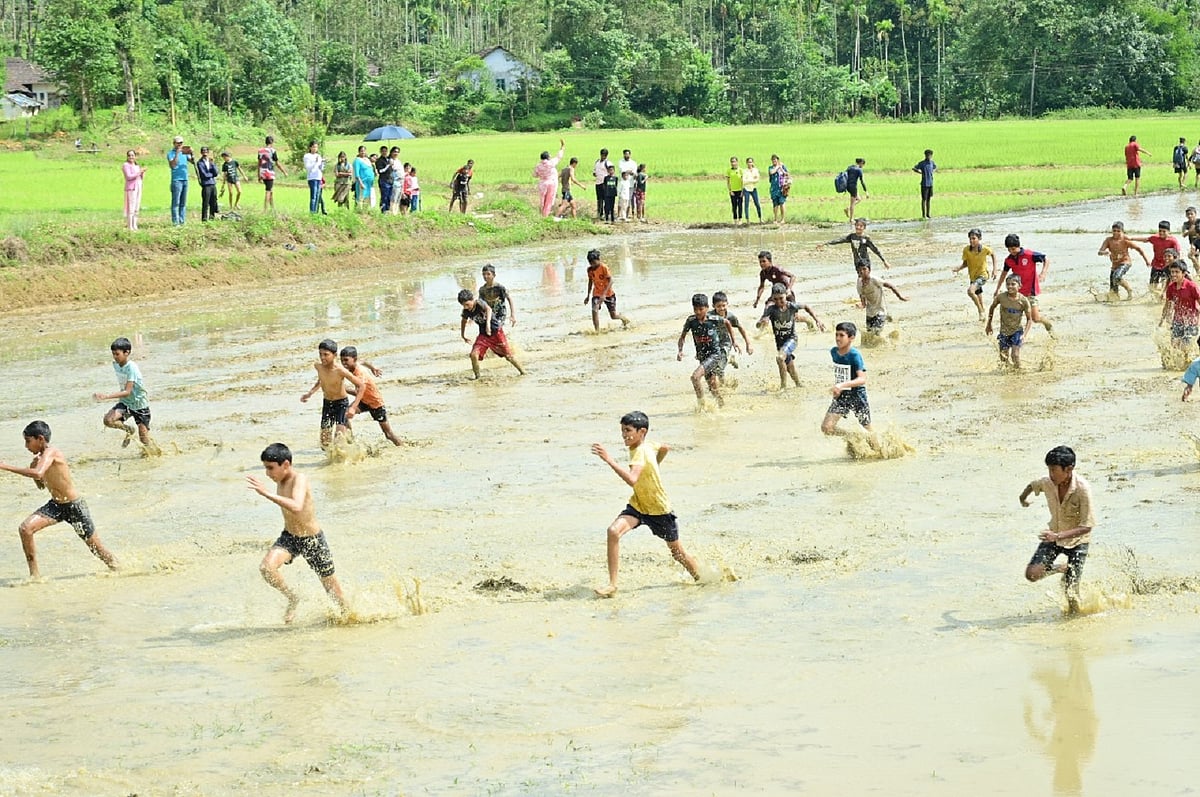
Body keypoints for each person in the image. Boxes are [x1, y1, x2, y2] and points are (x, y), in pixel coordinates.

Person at [590, 410, 700, 598]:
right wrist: (653, 467)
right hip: (639, 505)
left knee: (678, 554)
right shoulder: (648, 445)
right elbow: (665, 448)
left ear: (642, 432)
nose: (624, 435)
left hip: (659, 510)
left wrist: (609, 460)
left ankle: (703, 580)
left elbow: (632, 480)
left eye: (628, 430)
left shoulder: (639, 452)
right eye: (622, 430)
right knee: (613, 532)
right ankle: (612, 584)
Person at [0, 420, 119, 579]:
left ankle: (119, 569)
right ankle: (35, 576)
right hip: (56, 506)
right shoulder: (42, 457)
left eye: (28, 441)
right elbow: (41, 484)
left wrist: (5, 466)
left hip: (74, 507)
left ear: (40, 439)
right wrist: (34, 467)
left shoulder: (52, 452)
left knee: (96, 549)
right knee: (25, 529)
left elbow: (38, 473)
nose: (26, 446)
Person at [247, 442, 348, 624]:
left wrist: (266, 493)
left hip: (312, 540)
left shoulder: (299, 479)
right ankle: (293, 598)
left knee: (333, 591)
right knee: (267, 568)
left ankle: (350, 619)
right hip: (290, 537)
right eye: (265, 468)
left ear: (286, 464)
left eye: (270, 468)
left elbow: (296, 506)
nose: (267, 474)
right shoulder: (279, 480)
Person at [1019, 445, 1095, 613]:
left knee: (1071, 594)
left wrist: (1058, 536)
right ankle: (1061, 568)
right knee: (1032, 574)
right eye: (1049, 469)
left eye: (1054, 470)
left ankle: (1075, 625)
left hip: (1078, 542)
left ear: (1069, 469)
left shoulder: (1082, 489)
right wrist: (1022, 498)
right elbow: (1032, 486)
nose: (1050, 474)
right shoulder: (1048, 482)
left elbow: (1087, 526)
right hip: (1054, 536)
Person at [93, 336, 160, 453]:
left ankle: (151, 455)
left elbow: (127, 391)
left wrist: (106, 396)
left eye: (117, 354)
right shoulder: (116, 364)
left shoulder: (132, 368)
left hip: (139, 405)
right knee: (108, 420)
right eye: (113, 354)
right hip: (126, 403)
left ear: (127, 353)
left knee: (144, 440)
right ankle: (129, 430)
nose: (115, 357)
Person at [756, 282, 826, 389]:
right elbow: (759, 324)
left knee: (780, 358)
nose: (778, 302)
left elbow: (806, 306)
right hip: (780, 343)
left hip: (791, 339)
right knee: (789, 367)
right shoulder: (771, 310)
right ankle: (799, 385)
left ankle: (783, 387)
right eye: (775, 299)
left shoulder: (791, 306)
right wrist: (761, 322)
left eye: (781, 298)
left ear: (786, 296)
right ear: (772, 298)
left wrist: (817, 320)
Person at [300, 339, 365, 449]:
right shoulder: (318, 367)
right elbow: (321, 380)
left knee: (339, 441)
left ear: (334, 355)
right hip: (328, 404)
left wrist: (353, 407)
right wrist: (310, 393)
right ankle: (348, 434)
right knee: (324, 443)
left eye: (326, 354)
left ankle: (349, 446)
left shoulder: (340, 370)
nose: (322, 357)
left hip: (341, 404)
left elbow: (361, 386)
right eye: (320, 354)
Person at [677, 293, 736, 408]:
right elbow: (682, 337)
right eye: (695, 309)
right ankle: (722, 406)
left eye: (701, 309)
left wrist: (734, 341)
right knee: (713, 387)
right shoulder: (691, 321)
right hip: (702, 356)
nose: (698, 312)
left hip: (714, 355)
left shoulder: (713, 319)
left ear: (707, 308)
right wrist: (680, 350)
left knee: (695, 377)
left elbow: (727, 322)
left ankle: (701, 406)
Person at [339, 347, 402, 446]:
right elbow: (363, 361)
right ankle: (351, 442)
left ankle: (403, 446)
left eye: (346, 360)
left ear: (354, 359)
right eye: (342, 360)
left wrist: (342, 388)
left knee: (388, 434)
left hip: (375, 403)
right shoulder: (355, 364)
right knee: (344, 415)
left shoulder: (360, 375)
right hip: (364, 401)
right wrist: (373, 368)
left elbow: (358, 393)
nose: (343, 363)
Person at [458, 288, 525, 379]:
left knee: (508, 356)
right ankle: (477, 377)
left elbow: (488, 309)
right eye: (463, 305)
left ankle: (523, 372)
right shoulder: (466, 311)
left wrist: (488, 324)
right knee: (473, 355)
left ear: (472, 299)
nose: (466, 307)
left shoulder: (479, 303)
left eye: (467, 304)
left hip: (496, 332)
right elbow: (463, 321)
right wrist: (463, 335)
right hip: (483, 335)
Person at [820, 321, 871, 436]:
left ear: (851, 338)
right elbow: (841, 373)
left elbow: (862, 379)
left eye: (841, 335)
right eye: (836, 335)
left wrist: (841, 385)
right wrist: (838, 388)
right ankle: (855, 437)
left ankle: (878, 447)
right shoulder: (834, 352)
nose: (838, 338)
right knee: (826, 427)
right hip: (842, 396)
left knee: (868, 429)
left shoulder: (854, 355)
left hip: (857, 396)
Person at [996, 233, 1053, 333]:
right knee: (1013, 316)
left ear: (1018, 246)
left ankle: (1048, 324)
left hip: (1030, 291)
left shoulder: (1029, 255)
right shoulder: (1008, 260)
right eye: (1009, 249)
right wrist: (997, 288)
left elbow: (1046, 259)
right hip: (1017, 293)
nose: (1011, 251)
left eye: (1013, 249)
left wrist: (1043, 273)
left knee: (1035, 318)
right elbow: (1004, 273)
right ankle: (1017, 337)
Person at [985, 274, 1034, 368]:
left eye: (1013, 284)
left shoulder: (1023, 301)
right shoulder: (1001, 297)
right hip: (1004, 331)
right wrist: (989, 324)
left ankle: (1019, 371)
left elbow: (1029, 319)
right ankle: (1009, 374)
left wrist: (1024, 335)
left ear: (1019, 286)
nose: (1010, 286)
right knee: (1003, 358)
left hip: (1017, 331)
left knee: (1015, 355)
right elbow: (992, 308)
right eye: (1008, 284)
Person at [1096, 221, 1148, 301]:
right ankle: (1116, 304)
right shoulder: (1108, 240)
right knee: (1113, 291)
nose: (1116, 233)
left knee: (1117, 277)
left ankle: (1129, 289)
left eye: (1118, 231)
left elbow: (1139, 249)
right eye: (1114, 231)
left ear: (1122, 231)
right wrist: (1104, 252)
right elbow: (1099, 252)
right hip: (1114, 265)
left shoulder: (1125, 240)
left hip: (1125, 262)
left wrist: (1146, 260)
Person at [952, 228, 996, 320]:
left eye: (974, 238)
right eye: (970, 239)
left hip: (983, 275)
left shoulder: (984, 249)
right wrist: (958, 268)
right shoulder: (966, 250)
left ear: (979, 239)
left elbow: (993, 254)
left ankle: (980, 310)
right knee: (978, 296)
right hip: (973, 276)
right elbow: (965, 263)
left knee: (970, 291)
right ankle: (984, 316)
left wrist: (994, 270)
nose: (971, 241)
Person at [584, 248, 630, 331]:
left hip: (608, 294)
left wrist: (604, 295)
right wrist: (588, 295)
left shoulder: (603, 267)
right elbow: (590, 282)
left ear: (598, 260)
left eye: (594, 263)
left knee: (613, 316)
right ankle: (597, 331)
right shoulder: (590, 270)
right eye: (590, 263)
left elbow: (611, 281)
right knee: (594, 309)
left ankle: (624, 319)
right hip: (597, 293)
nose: (593, 265)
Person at [1132, 221, 1184, 294]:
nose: (1161, 233)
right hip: (1156, 265)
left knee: (1165, 284)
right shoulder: (1155, 238)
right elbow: (1145, 240)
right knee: (1152, 286)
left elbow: (1178, 254)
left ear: (1169, 231)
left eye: (1164, 231)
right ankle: (1157, 297)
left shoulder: (1173, 241)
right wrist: (1131, 238)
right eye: (1160, 231)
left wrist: (1177, 266)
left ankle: (1164, 296)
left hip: (1167, 266)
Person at [1159, 260, 1200, 352]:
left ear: (1184, 273)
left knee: (1185, 348)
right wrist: (1161, 321)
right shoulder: (1171, 287)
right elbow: (1167, 305)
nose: (1173, 274)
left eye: (1177, 272)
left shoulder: (1192, 286)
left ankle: (1188, 360)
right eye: (1172, 272)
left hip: (1191, 321)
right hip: (1177, 320)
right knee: (1174, 345)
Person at [820, 217, 891, 271]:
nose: (858, 227)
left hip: (865, 261)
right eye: (857, 225)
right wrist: (826, 243)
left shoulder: (866, 238)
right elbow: (839, 240)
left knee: (865, 276)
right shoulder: (852, 236)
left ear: (864, 228)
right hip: (857, 262)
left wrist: (884, 261)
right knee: (861, 279)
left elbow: (875, 249)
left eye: (861, 226)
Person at [856, 262, 908, 334]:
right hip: (869, 312)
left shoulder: (874, 280)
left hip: (880, 311)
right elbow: (862, 298)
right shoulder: (859, 283)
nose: (862, 271)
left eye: (864, 269)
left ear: (869, 270)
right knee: (869, 334)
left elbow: (891, 286)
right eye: (860, 270)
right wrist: (862, 305)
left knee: (876, 332)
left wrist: (900, 297)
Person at [711, 290, 753, 372]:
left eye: (724, 305)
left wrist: (748, 344)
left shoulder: (730, 316)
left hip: (726, 342)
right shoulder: (710, 316)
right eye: (718, 306)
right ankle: (730, 359)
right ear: (713, 306)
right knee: (714, 364)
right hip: (713, 343)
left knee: (720, 366)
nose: (722, 308)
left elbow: (740, 328)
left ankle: (722, 380)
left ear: (727, 304)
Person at [478, 263, 517, 330]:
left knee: (497, 328)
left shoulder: (499, 288)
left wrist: (512, 315)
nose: (485, 276)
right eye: (483, 274)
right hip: (489, 313)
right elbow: (480, 303)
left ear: (494, 275)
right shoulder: (482, 290)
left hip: (500, 313)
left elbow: (509, 299)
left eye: (488, 274)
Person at [532, 140, 564, 218]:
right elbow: (558, 157)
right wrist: (562, 147)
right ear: (548, 157)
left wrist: (542, 175)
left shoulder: (538, 166)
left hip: (542, 184)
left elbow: (534, 175)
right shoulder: (551, 163)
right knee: (549, 200)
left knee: (542, 200)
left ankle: (542, 214)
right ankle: (545, 215)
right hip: (551, 183)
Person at [167, 134, 192, 225]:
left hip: (185, 179)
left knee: (183, 202)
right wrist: (177, 153)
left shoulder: (184, 153)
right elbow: (173, 165)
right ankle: (175, 222)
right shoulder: (171, 153)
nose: (179, 145)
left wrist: (191, 153)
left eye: (181, 143)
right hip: (176, 180)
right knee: (176, 202)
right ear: (174, 143)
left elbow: (192, 161)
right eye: (178, 143)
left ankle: (182, 221)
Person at [258, 135, 287, 212]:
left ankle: (272, 208)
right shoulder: (272, 151)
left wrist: (259, 175)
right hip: (269, 173)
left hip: (262, 172)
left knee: (270, 190)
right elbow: (277, 163)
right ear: (272, 142)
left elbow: (259, 163)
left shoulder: (260, 151)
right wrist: (284, 172)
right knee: (268, 191)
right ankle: (265, 209)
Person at [122, 149, 146, 231]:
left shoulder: (137, 166)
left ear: (135, 156)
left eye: (132, 155)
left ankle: (135, 225)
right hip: (131, 187)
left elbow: (140, 177)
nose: (131, 157)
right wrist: (139, 172)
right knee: (131, 206)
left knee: (137, 206)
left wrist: (142, 173)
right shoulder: (126, 165)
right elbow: (129, 176)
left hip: (138, 186)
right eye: (129, 155)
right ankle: (130, 226)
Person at [195, 146, 220, 222]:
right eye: (203, 151)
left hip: (213, 183)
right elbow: (204, 174)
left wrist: (212, 164)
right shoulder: (200, 163)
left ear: (208, 152)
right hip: (206, 184)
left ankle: (212, 217)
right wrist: (211, 174)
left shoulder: (210, 162)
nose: (205, 153)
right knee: (205, 202)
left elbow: (216, 173)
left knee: (213, 201)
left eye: (206, 151)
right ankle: (204, 219)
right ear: (201, 153)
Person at [912, 149, 936, 219]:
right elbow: (914, 168)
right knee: (924, 199)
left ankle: (928, 214)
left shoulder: (932, 163)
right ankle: (923, 215)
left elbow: (935, 167)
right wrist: (920, 172)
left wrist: (932, 172)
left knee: (929, 199)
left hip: (930, 183)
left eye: (930, 155)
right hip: (924, 184)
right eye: (927, 155)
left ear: (931, 156)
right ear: (925, 155)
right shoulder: (922, 163)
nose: (929, 156)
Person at [302, 141, 324, 214]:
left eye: (316, 147)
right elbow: (308, 167)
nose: (315, 149)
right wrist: (315, 162)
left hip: (318, 177)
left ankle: (316, 212)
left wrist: (322, 163)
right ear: (310, 147)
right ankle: (312, 212)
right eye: (313, 147)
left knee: (318, 195)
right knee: (313, 196)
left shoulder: (318, 156)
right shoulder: (307, 156)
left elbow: (321, 168)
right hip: (312, 177)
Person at [768, 154, 790, 224]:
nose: (774, 161)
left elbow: (787, 174)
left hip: (782, 188)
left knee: (782, 203)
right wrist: (778, 167)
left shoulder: (782, 167)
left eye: (775, 159)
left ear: (777, 160)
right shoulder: (771, 168)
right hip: (774, 188)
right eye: (773, 160)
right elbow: (771, 172)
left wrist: (781, 168)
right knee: (775, 204)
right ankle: (775, 219)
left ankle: (783, 219)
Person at [741, 156, 762, 223]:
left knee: (757, 204)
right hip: (746, 189)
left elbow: (757, 180)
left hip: (753, 188)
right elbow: (743, 181)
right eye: (748, 162)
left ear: (753, 163)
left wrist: (749, 180)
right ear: (746, 163)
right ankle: (747, 220)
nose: (750, 163)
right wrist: (753, 179)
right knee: (746, 204)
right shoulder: (744, 171)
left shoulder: (755, 170)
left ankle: (760, 218)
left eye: (751, 162)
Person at [593, 148, 613, 218]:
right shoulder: (597, 162)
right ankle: (600, 213)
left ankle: (607, 213)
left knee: (606, 199)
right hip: (598, 183)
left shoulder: (608, 163)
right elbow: (595, 170)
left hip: (605, 184)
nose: (603, 156)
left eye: (604, 155)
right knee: (599, 199)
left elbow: (612, 172)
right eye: (602, 155)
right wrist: (595, 174)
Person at [354, 146, 375, 210]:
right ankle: (359, 211)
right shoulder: (357, 160)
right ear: (359, 152)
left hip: (369, 183)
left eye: (364, 151)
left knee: (367, 198)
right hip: (362, 182)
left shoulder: (367, 160)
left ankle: (365, 211)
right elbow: (357, 174)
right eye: (361, 151)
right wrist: (361, 183)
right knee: (361, 198)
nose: (363, 152)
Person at [376, 146, 396, 212]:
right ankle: (383, 210)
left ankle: (388, 209)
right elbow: (380, 171)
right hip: (384, 180)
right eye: (383, 151)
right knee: (384, 196)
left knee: (389, 197)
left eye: (385, 151)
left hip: (390, 180)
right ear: (380, 152)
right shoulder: (379, 160)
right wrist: (388, 165)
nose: (384, 152)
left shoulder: (389, 159)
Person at [726, 156, 743, 223]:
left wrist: (742, 191)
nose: (733, 163)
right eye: (732, 162)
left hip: (740, 190)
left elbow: (743, 181)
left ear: (737, 162)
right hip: (733, 191)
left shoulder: (740, 170)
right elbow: (728, 182)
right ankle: (735, 219)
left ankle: (740, 219)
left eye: (734, 161)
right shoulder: (729, 171)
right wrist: (730, 190)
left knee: (740, 205)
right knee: (734, 206)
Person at [1183, 206, 1200, 272]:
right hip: (1194, 244)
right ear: (1186, 215)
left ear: (1195, 214)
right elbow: (1184, 235)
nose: (1190, 216)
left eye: (1191, 214)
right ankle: (1198, 272)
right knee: (1192, 256)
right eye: (1188, 214)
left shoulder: (1199, 221)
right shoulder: (1186, 224)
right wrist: (1190, 231)